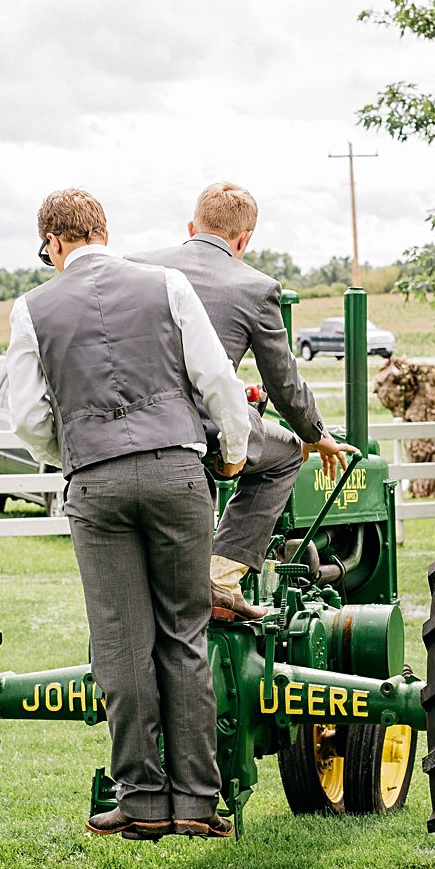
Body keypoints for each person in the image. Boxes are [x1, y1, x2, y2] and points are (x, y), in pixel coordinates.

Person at [3, 188, 252, 841]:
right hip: (176, 471)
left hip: (96, 483)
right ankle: (197, 800)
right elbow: (217, 380)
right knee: (184, 633)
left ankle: (141, 799)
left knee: (121, 642)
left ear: (53, 242)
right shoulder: (166, 285)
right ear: (102, 231)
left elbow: (27, 417)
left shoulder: (30, 310)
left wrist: (80, 451)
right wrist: (231, 453)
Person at [134, 181, 354, 620]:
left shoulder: (137, 266)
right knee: (287, 453)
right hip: (203, 428)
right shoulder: (254, 287)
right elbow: (284, 381)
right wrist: (318, 435)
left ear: (192, 226)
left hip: (132, 425)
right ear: (243, 239)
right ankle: (220, 576)